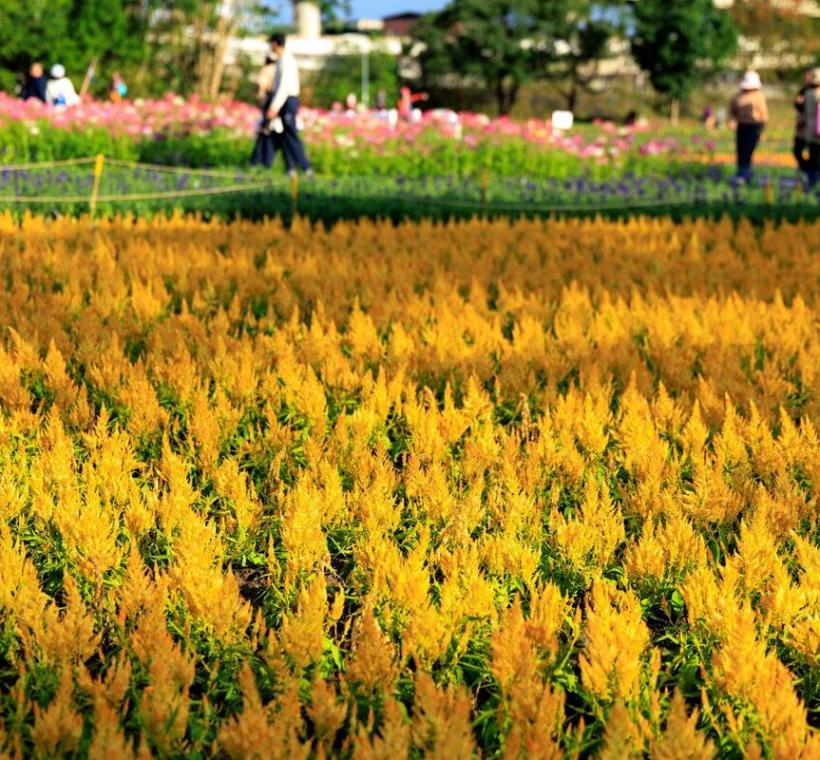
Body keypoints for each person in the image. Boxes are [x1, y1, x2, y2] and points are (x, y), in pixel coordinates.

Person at [266, 33, 312, 177]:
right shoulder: (281, 60)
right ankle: (290, 168)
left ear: (275, 43)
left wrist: (274, 106)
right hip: (284, 101)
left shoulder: (287, 60)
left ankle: (306, 167)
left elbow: (284, 87)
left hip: (288, 100)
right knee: (285, 135)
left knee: (291, 134)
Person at [728, 71, 768, 182]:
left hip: (754, 127)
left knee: (747, 151)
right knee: (740, 150)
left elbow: (764, 115)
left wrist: (762, 131)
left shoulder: (759, 96)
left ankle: (745, 174)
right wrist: (732, 121)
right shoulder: (737, 96)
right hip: (742, 126)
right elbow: (731, 112)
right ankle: (741, 172)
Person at [251, 55, 284, 169]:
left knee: (265, 133)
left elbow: (261, 86)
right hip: (279, 103)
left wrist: (261, 97)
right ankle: (267, 162)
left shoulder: (267, 69)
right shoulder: (279, 67)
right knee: (272, 133)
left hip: (269, 103)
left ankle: (257, 162)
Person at [801, 68, 820, 188]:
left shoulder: (807, 93)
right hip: (818, 130)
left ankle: (811, 180)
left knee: (813, 155)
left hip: (810, 129)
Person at [793, 67, 814, 175]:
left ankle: (811, 173)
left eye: (809, 75)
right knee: (797, 151)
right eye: (805, 76)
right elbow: (798, 106)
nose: (806, 78)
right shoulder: (803, 90)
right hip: (802, 127)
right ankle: (807, 169)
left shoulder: (815, 91)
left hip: (814, 128)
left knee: (814, 152)